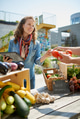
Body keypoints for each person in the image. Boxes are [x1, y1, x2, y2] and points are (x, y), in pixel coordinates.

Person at [4, 16, 52, 89]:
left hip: (29, 78)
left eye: (33, 25)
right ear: (23, 25)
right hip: (15, 77)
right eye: (29, 24)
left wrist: (45, 56)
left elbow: (37, 62)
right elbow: (9, 60)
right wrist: (6, 61)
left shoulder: (36, 43)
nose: (31, 27)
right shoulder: (13, 42)